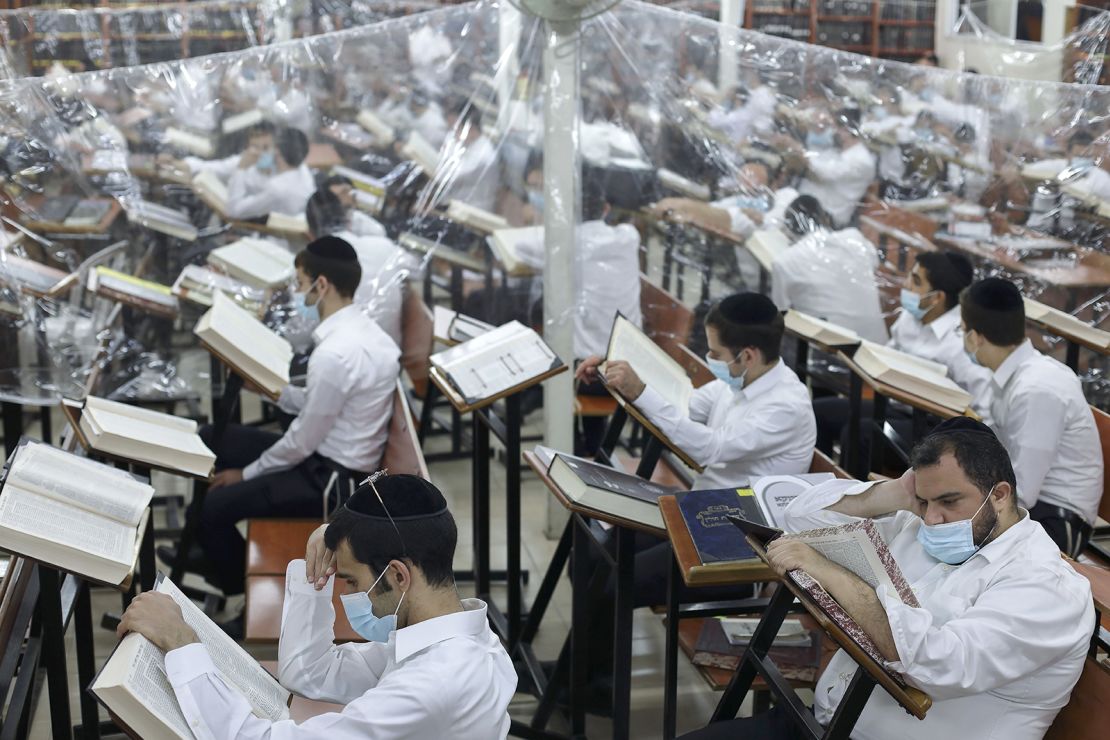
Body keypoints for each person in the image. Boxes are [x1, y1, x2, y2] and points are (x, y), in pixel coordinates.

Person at [680, 418, 1093, 740]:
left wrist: (832, 575)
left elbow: (937, 665)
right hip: (825, 723)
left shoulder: (1046, 587)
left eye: (949, 502)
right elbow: (799, 519)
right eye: (924, 500)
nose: (932, 518)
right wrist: (893, 494)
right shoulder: (920, 523)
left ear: (1000, 495)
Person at [119, 474, 517, 738]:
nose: (350, 596)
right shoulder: (444, 636)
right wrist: (315, 578)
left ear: (398, 576)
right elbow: (309, 672)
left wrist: (182, 644)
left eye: (354, 582)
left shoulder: (434, 682)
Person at [162, 237, 400, 614]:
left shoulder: (336, 354)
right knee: (211, 438)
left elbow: (300, 442)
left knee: (213, 505)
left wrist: (245, 475)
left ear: (322, 285)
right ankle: (205, 546)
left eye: (300, 281)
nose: (296, 291)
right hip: (324, 454)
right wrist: (273, 390)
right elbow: (319, 407)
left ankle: (231, 580)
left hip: (330, 481)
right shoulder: (363, 335)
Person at [577, 292, 815, 494]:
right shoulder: (742, 378)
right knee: (609, 521)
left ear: (748, 356)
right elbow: (683, 403)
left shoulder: (786, 406)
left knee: (617, 536)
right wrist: (610, 368)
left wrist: (639, 390)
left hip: (740, 528)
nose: (709, 359)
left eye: (715, 353)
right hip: (705, 501)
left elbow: (709, 448)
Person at [960, 277, 1102, 556]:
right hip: (1031, 505)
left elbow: (1022, 491)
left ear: (975, 337)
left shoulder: (1036, 390)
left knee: (954, 536)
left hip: (1057, 520)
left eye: (962, 330)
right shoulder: (1012, 376)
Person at [813, 251, 994, 457]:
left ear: (937, 297)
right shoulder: (910, 316)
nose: (906, 285)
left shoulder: (960, 341)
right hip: (896, 406)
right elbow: (887, 358)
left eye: (916, 281)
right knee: (819, 412)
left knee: (859, 433)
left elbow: (981, 409)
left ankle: (860, 488)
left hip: (937, 428)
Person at [771, 195, 889, 344]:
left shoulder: (784, 262)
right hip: (877, 344)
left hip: (829, 352)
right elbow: (874, 262)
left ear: (788, 229)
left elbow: (781, 315)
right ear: (825, 218)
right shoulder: (854, 238)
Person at [305, 189, 415, 344]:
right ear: (349, 222)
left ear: (309, 235)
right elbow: (419, 270)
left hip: (338, 356)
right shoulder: (383, 247)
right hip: (387, 354)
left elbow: (301, 336)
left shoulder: (310, 267)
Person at [792, 108, 876, 228]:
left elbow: (826, 172)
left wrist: (799, 150)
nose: (830, 132)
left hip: (827, 216)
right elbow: (815, 170)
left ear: (846, 130)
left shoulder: (862, 161)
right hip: (807, 203)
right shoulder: (836, 150)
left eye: (833, 127)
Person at [226, 126, 315, 220]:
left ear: (277, 152)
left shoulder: (277, 188)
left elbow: (234, 211)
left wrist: (241, 168)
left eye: (268, 147)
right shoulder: (303, 170)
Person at [438, 105, 499, 212]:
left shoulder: (484, 156)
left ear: (470, 129)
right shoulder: (467, 142)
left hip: (470, 211)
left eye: (454, 129)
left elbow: (447, 176)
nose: (452, 134)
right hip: (454, 202)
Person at [180, 121, 276, 185]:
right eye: (255, 146)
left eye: (265, 148)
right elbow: (208, 168)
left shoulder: (282, 174)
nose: (259, 153)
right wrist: (178, 164)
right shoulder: (241, 161)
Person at [321, 173, 388, 238]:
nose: (337, 199)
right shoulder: (317, 222)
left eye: (343, 193)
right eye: (333, 196)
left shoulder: (373, 230)